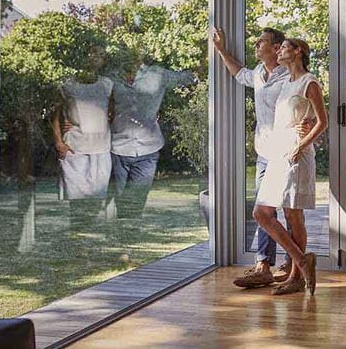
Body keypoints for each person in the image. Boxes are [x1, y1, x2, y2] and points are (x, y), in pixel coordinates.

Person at [212, 27, 312, 287]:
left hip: (286, 152)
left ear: (277, 48)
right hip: (264, 153)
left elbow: (304, 100)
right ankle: (264, 265)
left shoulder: (288, 76)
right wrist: (221, 49)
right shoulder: (257, 74)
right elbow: (237, 72)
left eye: (262, 42)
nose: (256, 45)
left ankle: (294, 267)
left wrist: (306, 123)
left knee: (290, 212)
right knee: (265, 211)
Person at [253, 38, 327, 295]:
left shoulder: (310, 82)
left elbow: (322, 121)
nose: (279, 50)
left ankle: (296, 277)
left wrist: (301, 143)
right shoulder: (285, 81)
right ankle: (302, 260)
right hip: (278, 152)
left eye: (284, 47)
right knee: (261, 213)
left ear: (297, 52)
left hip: (297, 155)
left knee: (293, 216)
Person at [107, 51, 194, 218]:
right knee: (120, 198)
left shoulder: (158, 74)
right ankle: (125, 231)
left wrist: (207, 60)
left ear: (140, 55)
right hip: (118, 147)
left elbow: (187, 77)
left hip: (148, 147)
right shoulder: (113, 78)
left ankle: (130, 233)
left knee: (137, 199)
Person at [52, 46, 113, 229]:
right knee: (77, 202)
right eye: (91, 53)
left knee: (96, 202)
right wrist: (58, 142)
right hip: (74, 148)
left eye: (100, 55)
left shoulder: (107, 85)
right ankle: (76, 236)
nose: (95, 58)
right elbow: (54, 116)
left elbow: (114, 111)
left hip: (101, 148)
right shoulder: (67, 84)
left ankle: (89, 238)